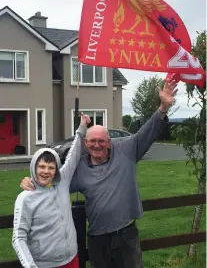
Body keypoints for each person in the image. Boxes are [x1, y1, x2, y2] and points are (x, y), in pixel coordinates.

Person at [21, 79, 177, 268]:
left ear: (109, 141)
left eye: (101, 141)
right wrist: (33, 182)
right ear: (86, 144)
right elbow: (54, 183)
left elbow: (148, 132)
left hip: (126, 234)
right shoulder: (80, 169)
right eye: (92, 141)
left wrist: (163, 107)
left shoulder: (126, 151)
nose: (97, 145)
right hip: (97, 238)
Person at [13, 113, 90, 268]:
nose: (46, 171)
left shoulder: (62, 182)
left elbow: (73, 155)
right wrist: (30, 265)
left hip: (71, 259)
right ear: (34, 168)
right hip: (44, 265)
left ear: (56, 170)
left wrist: (82, 128)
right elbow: (18, 237)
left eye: (50, 167)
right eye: (41, 166)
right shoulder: (25, 198)